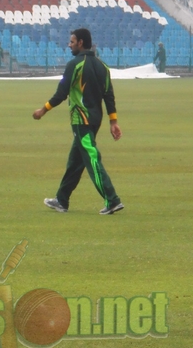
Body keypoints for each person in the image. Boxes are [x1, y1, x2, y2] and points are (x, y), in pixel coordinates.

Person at [32, 28, 124, 215]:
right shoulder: (103, 67)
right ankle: (62, 200)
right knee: (75, 161)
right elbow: (109, 95)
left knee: (91, 158)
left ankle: (112, 199)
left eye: (72, 42)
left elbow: (61, 93)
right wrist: (113, 121)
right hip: (95, 119)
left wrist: (43, 110)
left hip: (81, 119)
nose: (69, 45)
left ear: (81, 43)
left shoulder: (74, 65)